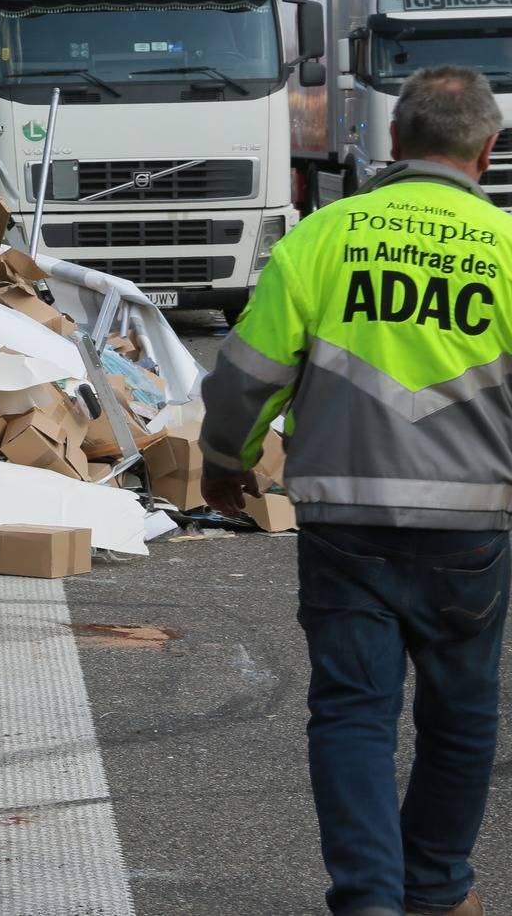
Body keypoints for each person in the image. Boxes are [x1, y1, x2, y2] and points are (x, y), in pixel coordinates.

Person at [200, 65, 512, 916]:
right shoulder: (506, 247)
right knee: (460, 714)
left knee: (353, 714)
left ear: (394, 142)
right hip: (471, 528)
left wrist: (225, 461)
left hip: (344, 524)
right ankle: (439, 887)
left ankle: (370, 901)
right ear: (486, 151)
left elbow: (245, 375)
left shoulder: (324, 236)